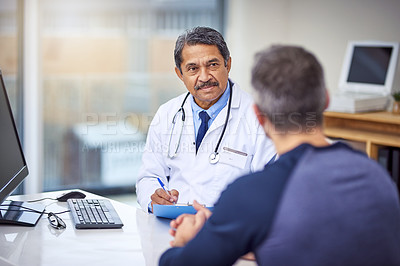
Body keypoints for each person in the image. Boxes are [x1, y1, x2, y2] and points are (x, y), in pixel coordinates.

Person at [159, 45, 400, 265]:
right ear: (325, 100)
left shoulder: (253, 194)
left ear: (259, 116)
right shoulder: (377, 176)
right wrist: (231, 227)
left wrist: (188, 240)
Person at [136, 27, 275, 212]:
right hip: (171, 228)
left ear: (228, 65)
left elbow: (270, 188)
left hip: (229, 232)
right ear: (180, 74)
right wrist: (154, 197)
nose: (204, 77)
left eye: (213, 65)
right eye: (193, 69)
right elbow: (149, 177)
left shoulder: (260, 117)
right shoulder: (167, 114)